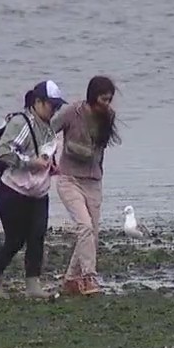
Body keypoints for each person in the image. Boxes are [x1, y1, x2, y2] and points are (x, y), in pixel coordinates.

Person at [0, 79, 63, 299]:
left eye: (58, 106)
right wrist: (31, 162)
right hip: (12, 192)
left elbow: (46, 152)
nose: (55, 110)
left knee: (37, 236)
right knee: (15, 240)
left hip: (38, 193)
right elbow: (3, 152)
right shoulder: (22, 123)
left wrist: (51, 166)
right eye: (52, 105)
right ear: (38, 102)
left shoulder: (48, 127)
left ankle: (33, 285)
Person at [51, 75, 121, 296]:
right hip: (68, 178)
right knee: (85, 226)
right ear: (93, 96)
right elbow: (45, 132)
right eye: (103, 99)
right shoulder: (72, 112)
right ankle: (90, 277)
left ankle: (72, 279)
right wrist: (48, 158)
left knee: (92, 233)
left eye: (110, 100)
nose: (107, 104)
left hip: (93, 180)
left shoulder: (108, 116)